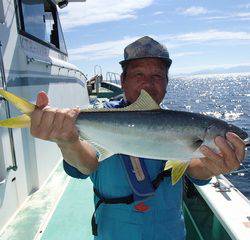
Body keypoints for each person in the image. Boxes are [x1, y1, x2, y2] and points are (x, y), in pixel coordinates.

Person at [30, 36, 246, 240]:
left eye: (157, 77)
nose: (148, 84)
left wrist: (214, 166)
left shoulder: (179, 124)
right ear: (123, 80)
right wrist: (67, 142)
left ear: (167, 82)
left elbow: (195, 168)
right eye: (138, 75)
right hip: (116, 232)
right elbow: (85, 165)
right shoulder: (101, 116)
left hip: (169, 232)